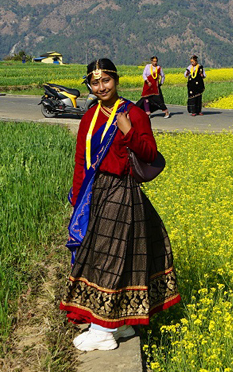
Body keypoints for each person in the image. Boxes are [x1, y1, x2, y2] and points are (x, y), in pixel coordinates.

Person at [59, 58, 180, 352]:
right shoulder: (90, 116)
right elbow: (80, 160)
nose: (101, 87)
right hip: (96, 191)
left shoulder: (133, 113)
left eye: (106, 81)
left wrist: (128, 130)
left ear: (116, 80)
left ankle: (102, 330)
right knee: (109, 256)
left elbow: (150, 153)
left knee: (107, 257)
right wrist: (78, 199)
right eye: (95, 83)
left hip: (121, 192)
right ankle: (120, 322)